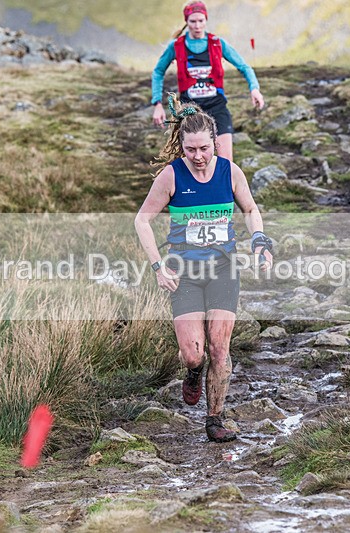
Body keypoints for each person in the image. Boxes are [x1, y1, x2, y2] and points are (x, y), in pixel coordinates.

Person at [135, 95, 273, 442]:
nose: (197, 157)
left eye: (203, 149)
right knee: (194, 354)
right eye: (190, 149)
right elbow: (142, 220)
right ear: (181, 146)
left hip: (223, 269)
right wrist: (157, 266)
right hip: (184, 273)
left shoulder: (230, 172)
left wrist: (259, 240)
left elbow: (251, 209)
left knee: (218, 348)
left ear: (215, 142)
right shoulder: (171, 176)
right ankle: (193, 373)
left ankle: (215, 420)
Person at [151, 1, 265, 162]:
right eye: (193, 21)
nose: (197, 25)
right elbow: (158, 71)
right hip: (189, 111)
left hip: (217, 107)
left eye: (201, 21)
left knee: (226, 163)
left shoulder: (217, 43)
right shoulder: (176, 46)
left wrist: (254, 89)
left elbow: (244, 67)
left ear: (206, 20)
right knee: (192, 161)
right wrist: (157, 104)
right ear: (186, 22)